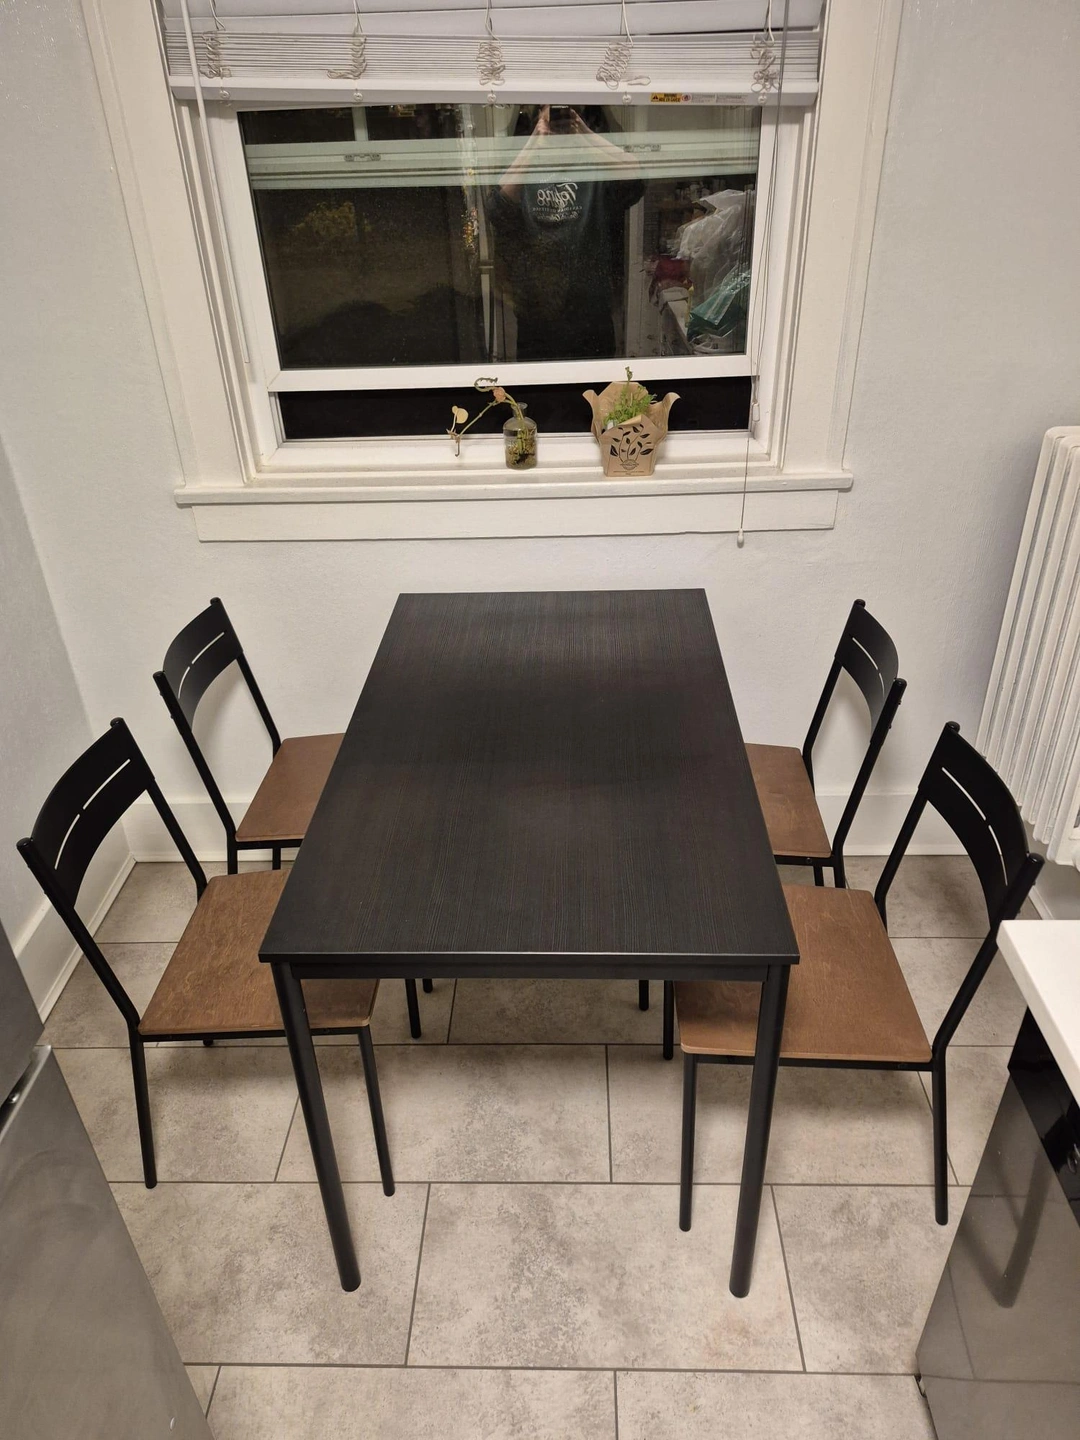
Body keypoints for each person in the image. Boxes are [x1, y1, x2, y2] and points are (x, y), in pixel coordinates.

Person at [488, 105, 644, 361]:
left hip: (591, 320)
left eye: (566, 115)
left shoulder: (595, 168)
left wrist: (584, 133)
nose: (558, 124)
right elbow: (497, 210)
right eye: (552, 115)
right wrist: (534, 142)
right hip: (536, 320)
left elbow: (636, 179)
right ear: (536, 119)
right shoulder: (525, 170)